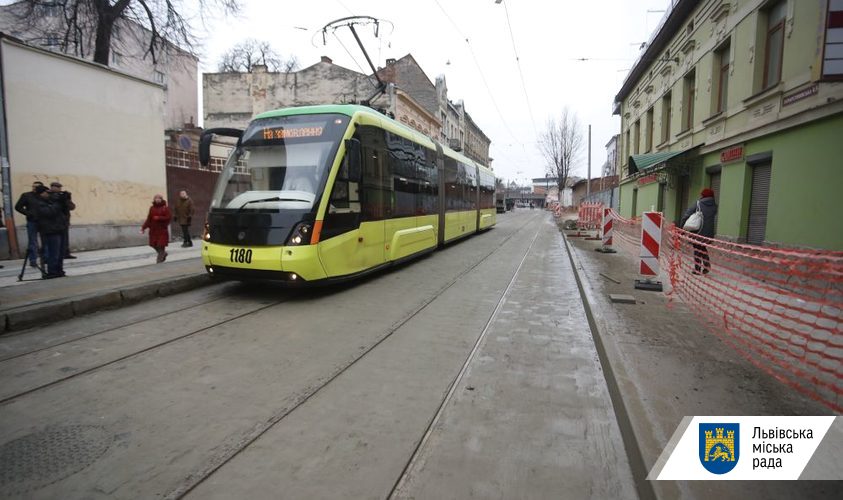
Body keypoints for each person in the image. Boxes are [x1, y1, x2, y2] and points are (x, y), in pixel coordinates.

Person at [680, 187, 718, 275]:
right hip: (708, 233)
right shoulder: (714, 206)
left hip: (698, 231)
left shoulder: (698, 203)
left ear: (703, 195)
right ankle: (706, 266)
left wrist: (682, 227)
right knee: (702, 247)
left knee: (697, 248)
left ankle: (697, 269)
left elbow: (687, 214)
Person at [32, 185, 67, 278]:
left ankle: (59, 270)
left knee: (60, 253)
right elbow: (49, 212)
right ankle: (52, 271)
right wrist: (57, 203)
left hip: (59, 228)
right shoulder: (38, 203)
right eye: (47, 192)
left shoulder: (50, 201)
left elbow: (65, 210)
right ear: (41, 193)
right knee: (54, 253)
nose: (49, 194)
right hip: (51, 230)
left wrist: (64, 200)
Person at [14, 181, 45, 267]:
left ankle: (45, 258)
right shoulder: (26, 195)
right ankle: (33, 260)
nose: (34, 188)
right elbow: (18, 207)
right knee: (32, 241)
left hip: (44, 221)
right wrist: (28, 213)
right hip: (32, 221)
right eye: (33, 186)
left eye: (37, 187)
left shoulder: (44, 195)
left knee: (45, 240)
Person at [141, 194, 172, 263]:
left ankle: (159, 262)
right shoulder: (152, 208)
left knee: (161, 245)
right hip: (153, 230)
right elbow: (149, 219)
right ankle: (163, 253)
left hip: (162, 230)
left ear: (161, 199)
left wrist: (159, 218)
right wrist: (143, 227)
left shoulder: (165, 208)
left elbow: (168, 217)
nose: (157, 199)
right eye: (156, 198)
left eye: (159, 198)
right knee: (153, 244)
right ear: (154, 199)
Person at [49, 181, 76, 259]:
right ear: (52, 187)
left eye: (59, 187)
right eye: (57, 187)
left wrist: (67, 199)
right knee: (55, 240)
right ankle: (56, 254)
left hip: (64, 221)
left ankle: (65, 253)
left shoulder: (63, 196)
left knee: (65, 238)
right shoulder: (49, 195)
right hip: (53, 222)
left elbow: (72, 207)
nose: (59, 189)